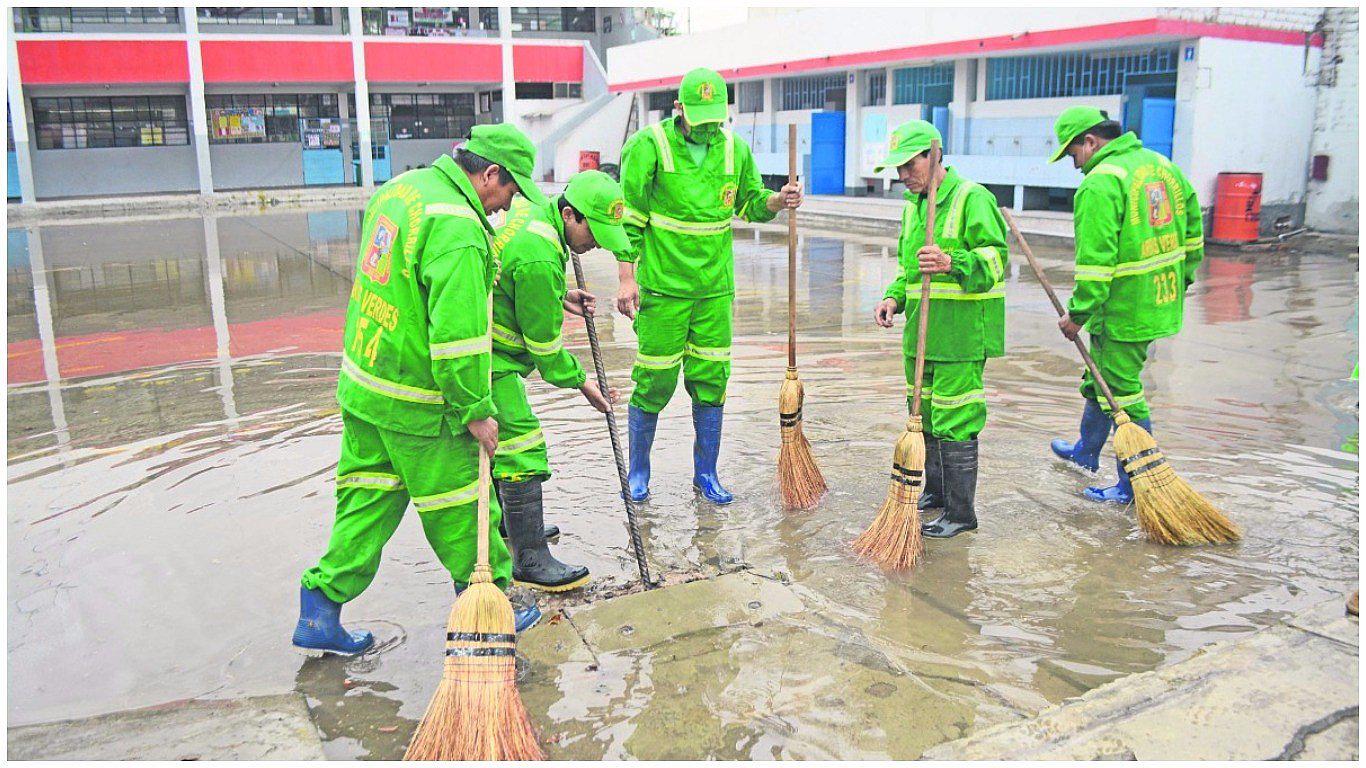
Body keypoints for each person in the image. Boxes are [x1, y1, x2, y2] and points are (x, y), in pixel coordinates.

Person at [293, 123, 546, 656]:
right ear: (490, 174)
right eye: (508, 193)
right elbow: (457, 337)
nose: (506, 208)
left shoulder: (401, 189)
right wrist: (476, 408)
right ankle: (490, 606)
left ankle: (319, 610)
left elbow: (396, 281)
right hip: (418, 402)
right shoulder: (459, 228)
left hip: (366, 384)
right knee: (466, 508)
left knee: (366, 500)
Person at [616, 67, 803, 504]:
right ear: (679, 108)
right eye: (699, 118)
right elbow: (630, 221)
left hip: (714, 291)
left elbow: (752, 203)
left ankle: (706, 474)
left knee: (712, 378)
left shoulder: (734, 150)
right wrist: (628, 279)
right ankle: (639, 472)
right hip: (663, 288)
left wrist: (779, 199)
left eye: (715, 118)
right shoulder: (649, 147)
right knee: (653, 381)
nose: (707, 127)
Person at [1046, 106, 1205, 503]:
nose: (1075, 164)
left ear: (1091, 141)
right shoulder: (1160, 165)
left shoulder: (1101, 182)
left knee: (1121, 392)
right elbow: (1194, 232)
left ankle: (1133, 485)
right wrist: (1180, 281)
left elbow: (1096, 265)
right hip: (1158, 299)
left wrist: (1077, 315)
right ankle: (1085, 451)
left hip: (1123, 309)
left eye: (1073, 154)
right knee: (1099, 378)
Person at [488, 169, 631, 592]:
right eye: (594, 233)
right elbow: (546, 352)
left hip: (487, 345)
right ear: (569, 214)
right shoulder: (540, 253)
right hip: (486, 357)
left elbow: (513, 281)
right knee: (522, 446)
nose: (597, 245)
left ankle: (509, 529)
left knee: (502, 444)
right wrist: (585, 384)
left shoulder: (535, 217)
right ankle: (530, 558)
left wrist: (558, 295)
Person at [872, 120, 1009, 538]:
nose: (902, 177)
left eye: (908, 166)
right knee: (925, 417)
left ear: (933, 157)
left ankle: (961, 512)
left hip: (961, 336)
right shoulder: (913, 208)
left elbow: (996, 261)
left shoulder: (972, 198)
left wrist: (953, 262)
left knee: (956, 419)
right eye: (897, 169)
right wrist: (894, 298)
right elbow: (907, 269)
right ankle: (936, 493)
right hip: (922, 336)